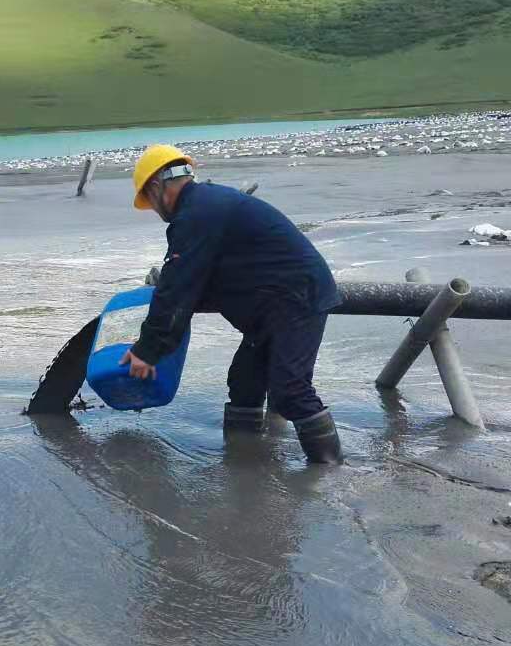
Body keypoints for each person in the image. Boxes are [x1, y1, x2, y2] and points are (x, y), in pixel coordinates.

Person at [121, 144, 344, 464]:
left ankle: (330, 470)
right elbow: (190, 280)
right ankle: (244, 465)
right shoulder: (206, 205)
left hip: (296, 297)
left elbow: (177, 288)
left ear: (157, 187)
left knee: (290, 390)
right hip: (272, 302)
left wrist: (147, 351)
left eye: (150, 203)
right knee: (244, 382)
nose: (155, 212)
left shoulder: (197, 213)